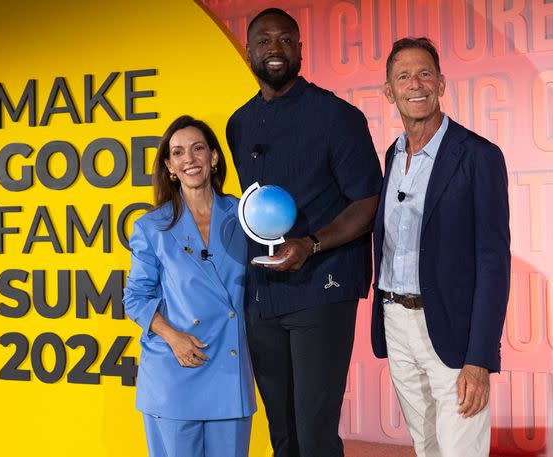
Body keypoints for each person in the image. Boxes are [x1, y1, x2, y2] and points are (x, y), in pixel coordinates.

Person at [226, 8, 383, 457]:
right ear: (249, 51)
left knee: (314, 435)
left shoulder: (337, 116)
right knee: (283, 435)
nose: (274, 48)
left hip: (322, 288)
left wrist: (311, 245)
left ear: (299, 49)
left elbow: (367, 202)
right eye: (264, 41)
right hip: (263, 295)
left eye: (285, 40)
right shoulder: (238, 123)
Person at [370, 37, 511, 456]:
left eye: (425, 73)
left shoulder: (478, 156)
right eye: (404, 76)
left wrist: (480, 357)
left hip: (452, 329)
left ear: (442, 83)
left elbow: (493, 262)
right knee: (426, 444)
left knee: (461, 448)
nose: (416, 84)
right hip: (396, 322)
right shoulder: (392, 156)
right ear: (388, 91)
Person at [123, 115, 256, 457]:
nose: (189, 160)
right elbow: (135, 297)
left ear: (213, 158)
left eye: (198, 149)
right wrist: (173, 337)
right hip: (176, 367)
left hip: (228, 369)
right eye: (178, 153)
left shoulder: (246, 215)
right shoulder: (151, 227)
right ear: (169, 166)